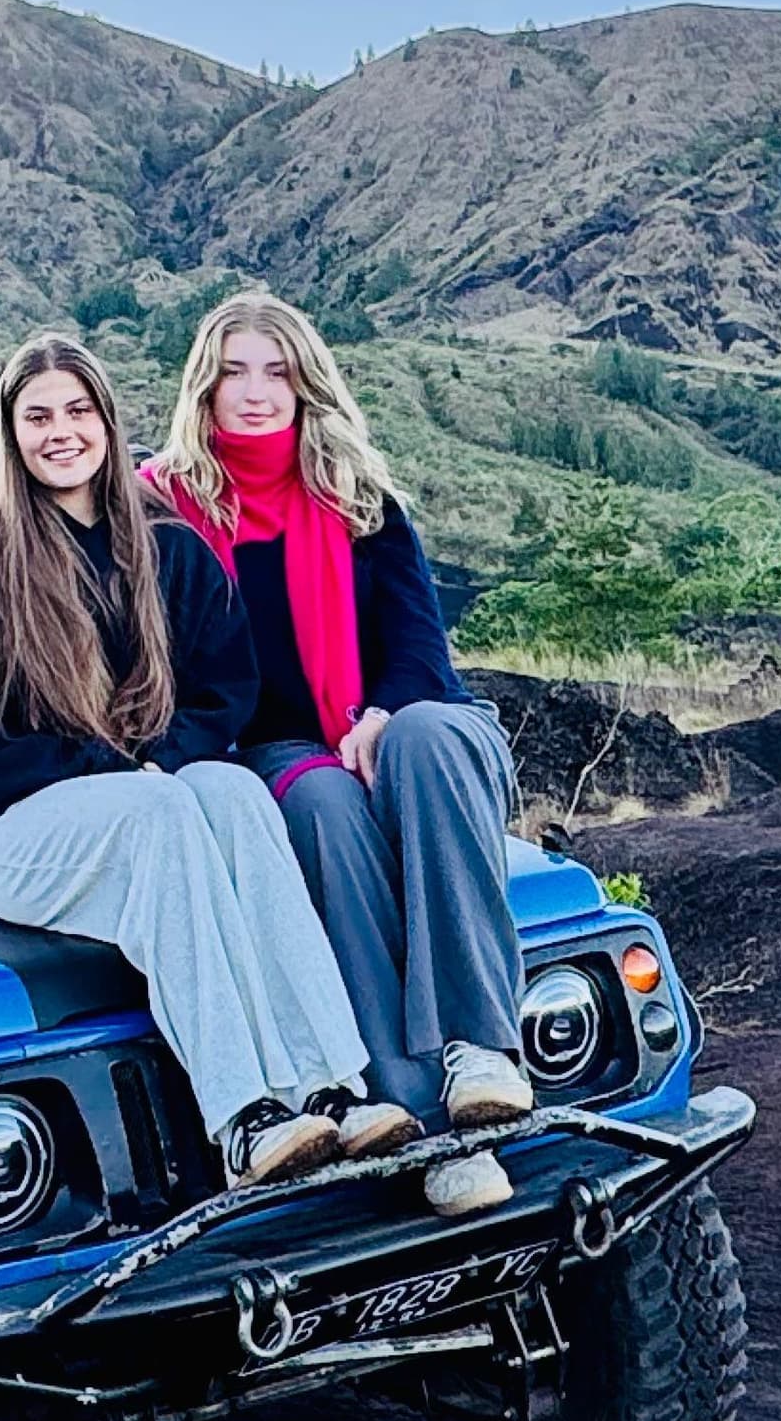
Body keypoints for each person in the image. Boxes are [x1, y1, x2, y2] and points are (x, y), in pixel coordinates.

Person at [0, 333, 416, 1189]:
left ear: (108, 423)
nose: (60, 432)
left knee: (229, 789)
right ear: (11, 433)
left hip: (150, 796)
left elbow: (223, 691)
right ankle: (245, 1116)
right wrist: (109, 768)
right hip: (18, 830)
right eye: (37, 417)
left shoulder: (163, 544)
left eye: (78, 411)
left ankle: (331, 1087)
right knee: (166, 810)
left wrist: (162, 757)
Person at [149, 291, 532, 1220]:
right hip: (270, 746)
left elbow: (420, 651)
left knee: (433, 739)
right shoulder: (163, 513)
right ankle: (418, 1117)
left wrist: (383, 713)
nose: (255, 393)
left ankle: (481, 1051)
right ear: (204, 386)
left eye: (275, 371)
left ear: (306, 382)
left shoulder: (362, 499)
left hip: (395, 715)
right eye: (234, 372)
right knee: (323, 808)